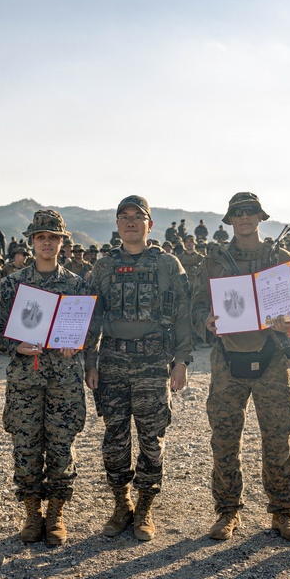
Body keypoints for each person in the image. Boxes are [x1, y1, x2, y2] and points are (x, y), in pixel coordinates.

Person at [191, 192, 290, 542]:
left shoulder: (280, 258)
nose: (244, 218)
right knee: (225, 438)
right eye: (238, 213)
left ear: (260, 217)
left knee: (278, 437)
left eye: (251, 212)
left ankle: (283, 513)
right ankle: (227, 512)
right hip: (227, 357)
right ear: (230, 220)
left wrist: (288, 323)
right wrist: (207, 321)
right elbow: (197, 304)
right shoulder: (215, 261)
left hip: (273, 357)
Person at [85, 195, 193, 542]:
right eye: (124, 217)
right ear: (117, 224)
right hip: (112, 360)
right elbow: (90, 318)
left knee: (151, 437)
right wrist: (90, 361)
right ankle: (121, 504)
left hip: (151, 361)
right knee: (115, 439)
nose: (131, 222)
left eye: (138, 216)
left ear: (149, 223)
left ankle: (145, 507)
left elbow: (182, 314)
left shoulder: (167, 265)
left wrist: (181, 361)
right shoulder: (103, 268)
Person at [0, 210, 89, 546]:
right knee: (26, 448)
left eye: (54, 237)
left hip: (64, 379)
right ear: (31, 241)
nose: (47, 243)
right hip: (25, 381)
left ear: (62, 242)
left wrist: (76, 345)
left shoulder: (76, 285)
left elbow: (88, 330)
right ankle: (32, 514)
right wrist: (16, 345)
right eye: (41, 237)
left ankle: (57, 514)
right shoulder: (12, 284)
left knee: (62, 448)